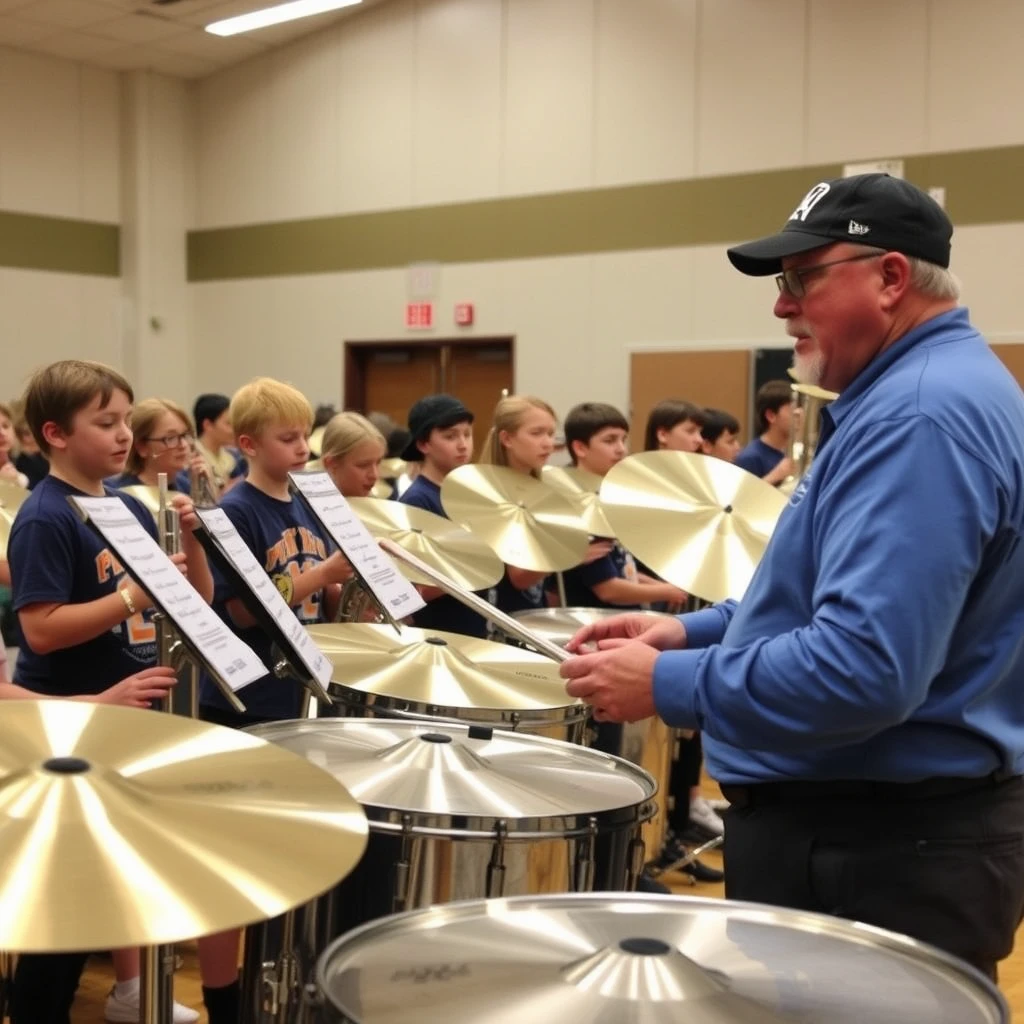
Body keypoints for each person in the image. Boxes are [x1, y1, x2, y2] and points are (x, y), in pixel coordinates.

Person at [560, 173, 1024, 981]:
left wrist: (672, 681)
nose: (781, 305)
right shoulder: (915, 395)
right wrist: (689, 628)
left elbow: (865, 669)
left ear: (890, 278)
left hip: (875, 850)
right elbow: (822, 598)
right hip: (878, 837)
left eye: (804, 278)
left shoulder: (918, 416)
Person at [7, 359, 207, 1024]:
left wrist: (196, 549)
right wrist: (130, 595)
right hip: (71, 725)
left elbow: (189, 602)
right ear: (56, 434)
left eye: (126, 421)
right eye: (107, 423)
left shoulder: (121, 505)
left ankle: (132, 992)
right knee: (65, 908)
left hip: (128, 713)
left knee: (116, 875)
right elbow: (39, 630)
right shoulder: (45, 518)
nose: (126, 435)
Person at [398, 394, 488, 638]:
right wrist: (476, 562)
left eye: (467, 434)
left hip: (473, 627)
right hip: (440, 632)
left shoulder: (466, 495)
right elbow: (417, 589)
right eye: (450, 436)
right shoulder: (418, 499)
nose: (462, 444)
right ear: (424, 444)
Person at [107, 397, 203, 498]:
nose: (183, 445)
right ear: (142, 447)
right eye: (171, 438)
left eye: (185, 435)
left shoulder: (186, 486)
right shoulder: (121, 493)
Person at [180, 393, 245, 498]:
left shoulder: (235, 459)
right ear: (208, 425)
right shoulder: (188, 460)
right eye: (228, 424)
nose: (234, 430)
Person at [734, 380, 795, 484]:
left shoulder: (793, 451)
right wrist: (775, 476)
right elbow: (743, 498)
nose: (799, 415)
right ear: (771, 416)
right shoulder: (750, 458)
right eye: (792, 410)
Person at [319, 411, 386, 498]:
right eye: (363, 465)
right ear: (331, 464)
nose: (375, 475)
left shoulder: (381, 507)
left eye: (378, 463)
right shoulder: (304, 509)